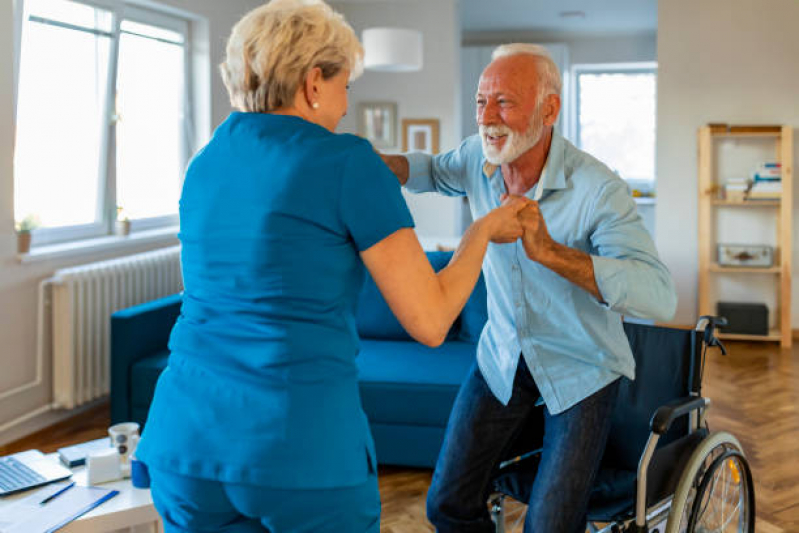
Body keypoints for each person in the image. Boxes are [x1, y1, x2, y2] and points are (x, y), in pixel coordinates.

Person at [134, 3, 530, 532]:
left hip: (182, 441)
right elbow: (431, 321)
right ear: (312, 82)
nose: (345, 106)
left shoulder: (205, 162)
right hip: (296, 448)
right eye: (345, 85)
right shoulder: (345, 160)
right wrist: (482, 231)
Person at [381, 44, 678, 532]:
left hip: (582, 367)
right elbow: (432, 170)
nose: (487, 117)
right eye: (481, 101)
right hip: (502, 358)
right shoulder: (478, 156)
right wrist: (369, 162)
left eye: (504, 102)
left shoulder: (597, 188)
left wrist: (551, 253)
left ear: (549, 109)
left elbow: (660, 295)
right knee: (447, 504)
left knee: (550, 525)